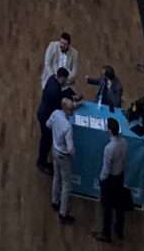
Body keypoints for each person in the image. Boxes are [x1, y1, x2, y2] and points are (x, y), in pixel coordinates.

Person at [48, 92, 78, 223]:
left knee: (56, 176)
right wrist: (73, 156)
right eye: (71, 109)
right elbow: (70, 148)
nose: (72, 111)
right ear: (66, 109)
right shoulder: (68, 127)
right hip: (64, 155)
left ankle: (54, 201)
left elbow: (48, 124)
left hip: (54, 150)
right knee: (66, 184)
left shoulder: (55, 114)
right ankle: (63, 213)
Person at [99, 116, 130, 241]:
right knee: (119, 205)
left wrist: (102, 179)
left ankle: (106, 234)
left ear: (110, 130)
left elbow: (106, 168)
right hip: (120, 176)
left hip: (111, 179)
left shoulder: (109, 148)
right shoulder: (124, 142)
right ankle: (119, 229)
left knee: (107, 207)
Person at [35, 66, 71, 170]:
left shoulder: (52, 78)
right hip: (45, 117)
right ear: (61, 78)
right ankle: (41, 162)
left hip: (43, 111)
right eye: (65, 80)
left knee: (47, 138)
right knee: (46, 139)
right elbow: (59, 106)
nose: (65, 82)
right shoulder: (55, 90)